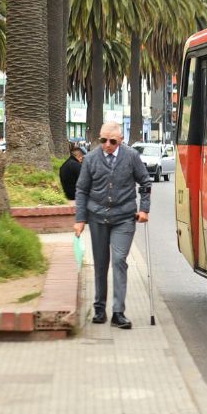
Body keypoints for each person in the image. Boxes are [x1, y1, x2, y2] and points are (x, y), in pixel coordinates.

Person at [74, 122, 152, 329]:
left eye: (112, 141)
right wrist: (80, 219)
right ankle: (99, 309)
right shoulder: (90, 159)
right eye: (103, 140)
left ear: (121, 140)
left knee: (118, 260)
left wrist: (144, 209)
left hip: (124, 217)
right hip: (97, 217)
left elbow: (145, 182)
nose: (107, 145)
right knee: (100, 263)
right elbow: (81, 190)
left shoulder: (131, 157)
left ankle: (118, 312)